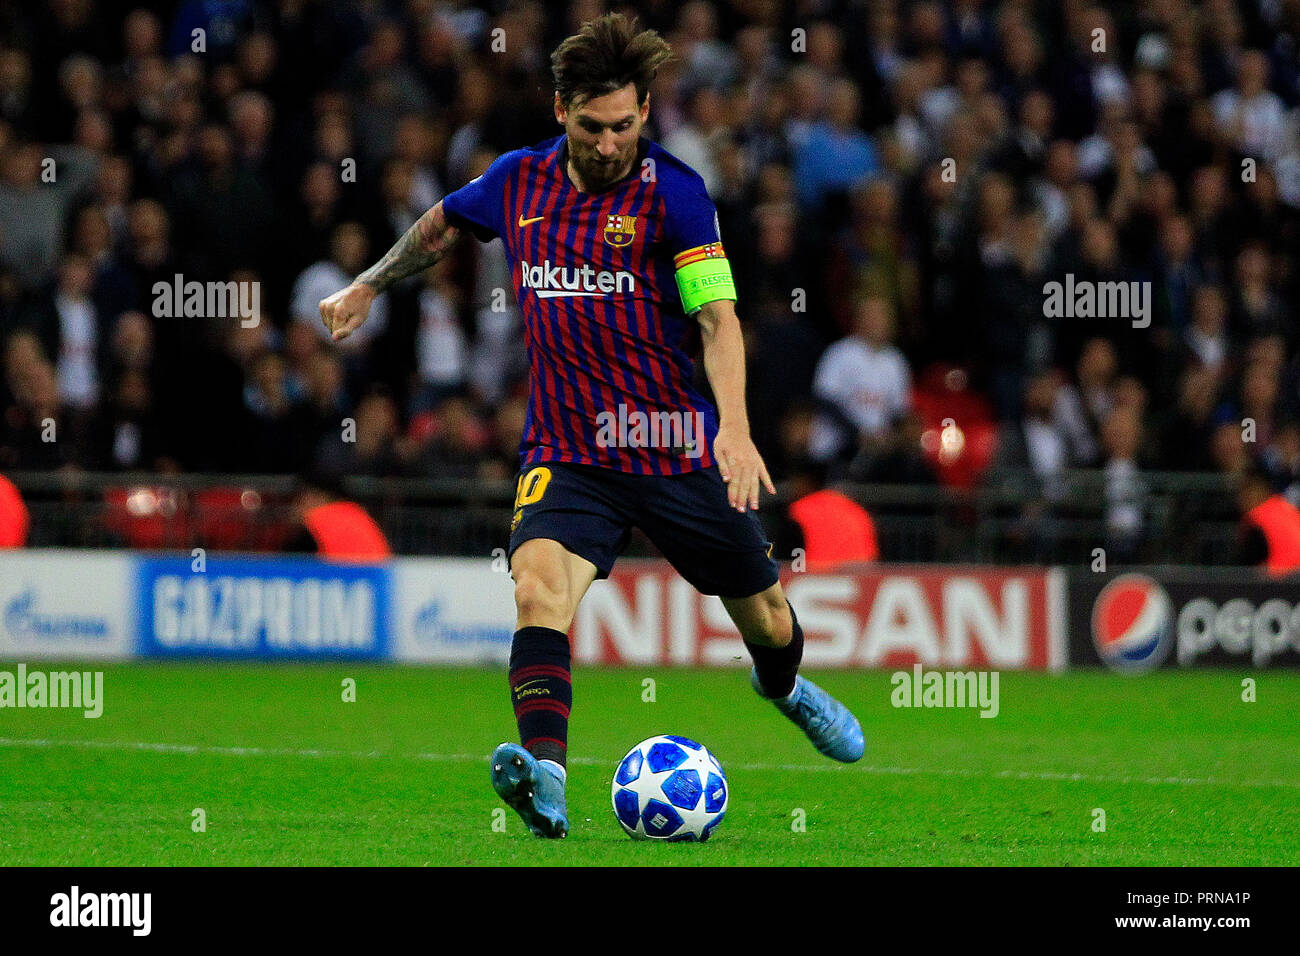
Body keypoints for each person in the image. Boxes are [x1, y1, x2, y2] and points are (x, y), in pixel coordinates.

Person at [318, 14, 863, 840]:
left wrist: (737, 430)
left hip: (673, 448)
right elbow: (440, 226)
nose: (610, 145)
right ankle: (547, 774)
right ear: (561, 111)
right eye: (592, 127)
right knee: (537, 589)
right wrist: (367, 284)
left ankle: (784, 688)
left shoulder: (676, 193)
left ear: (645, 112)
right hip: (568, 451)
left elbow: (717, 319)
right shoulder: (516, 181)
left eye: (624, 126)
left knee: (770, 622)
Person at [285, 470, 391, 562]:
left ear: (319, 497)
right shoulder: (356, 513)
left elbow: (293, 560)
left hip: (346, 578)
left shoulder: (319, 518)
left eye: (301, 500)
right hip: (377, 578)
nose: (297, 506)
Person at [1234, 463, 1300, 576]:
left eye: (1247, 491)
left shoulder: (1256, 518)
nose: (1241, 498)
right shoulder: (1287, 507)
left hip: (1279, 582)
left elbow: (1248, 565)